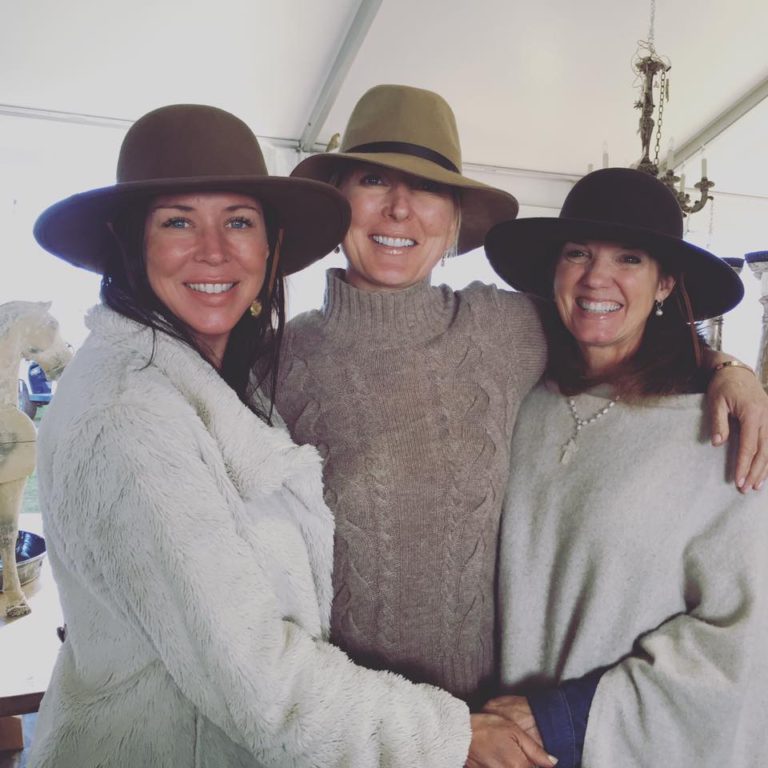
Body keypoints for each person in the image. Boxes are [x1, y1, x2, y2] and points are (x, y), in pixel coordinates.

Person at [27, 104, 554, 768]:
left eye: (238, 222)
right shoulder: (140, 410)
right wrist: (454, 736)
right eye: (178, 222)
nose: (214, 251)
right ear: (128, 240)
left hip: (385, 731)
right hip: (313, 739)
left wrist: (719, 367)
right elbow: (256, 673)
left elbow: (616, 327)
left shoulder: (212, 380)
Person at [279, 83, 768, 711]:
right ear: (338, 199)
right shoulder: (278, 363)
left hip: (501, 725)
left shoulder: (499, 328)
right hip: (355, 724)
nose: (399, 209)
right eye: (373, 180)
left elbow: (612, 325)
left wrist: (731, 370)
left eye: (426, 187)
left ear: (453, 217)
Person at [483, 167, 768, 767]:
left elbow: (745, 637)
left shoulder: (718, 431)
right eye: (578, 253)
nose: (596, 277)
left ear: (665, 284)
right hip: (493, 744)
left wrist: (566, 719)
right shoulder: (518, 399)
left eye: (629, 259)